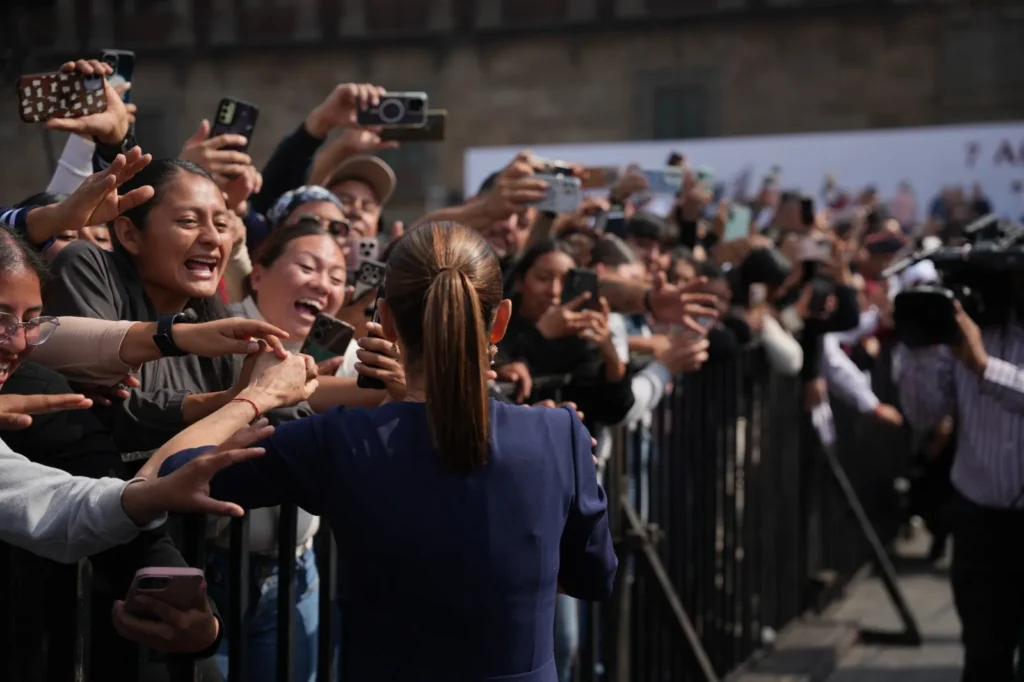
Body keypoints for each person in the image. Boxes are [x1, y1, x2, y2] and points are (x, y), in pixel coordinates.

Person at [155, 222, 618, 682]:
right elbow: (594, 576)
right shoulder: (560, 434)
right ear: (500, 322)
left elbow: (175, 474)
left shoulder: (339, 439)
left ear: (387, 320)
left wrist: (256, 396)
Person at [45, 158, 247, 455]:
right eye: (188, 221)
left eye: (221, 224)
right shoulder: (87, 265)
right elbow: (108, 412)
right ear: (129, 234)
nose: (212, 238)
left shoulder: (215, 323)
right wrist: (240, 402)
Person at [897, 281, 1024, 682]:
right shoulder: (963, 334)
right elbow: (923, 415)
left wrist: (985, 367)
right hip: (978, 518)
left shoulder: (976, 350)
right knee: (984, 658)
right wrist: (919, 349)